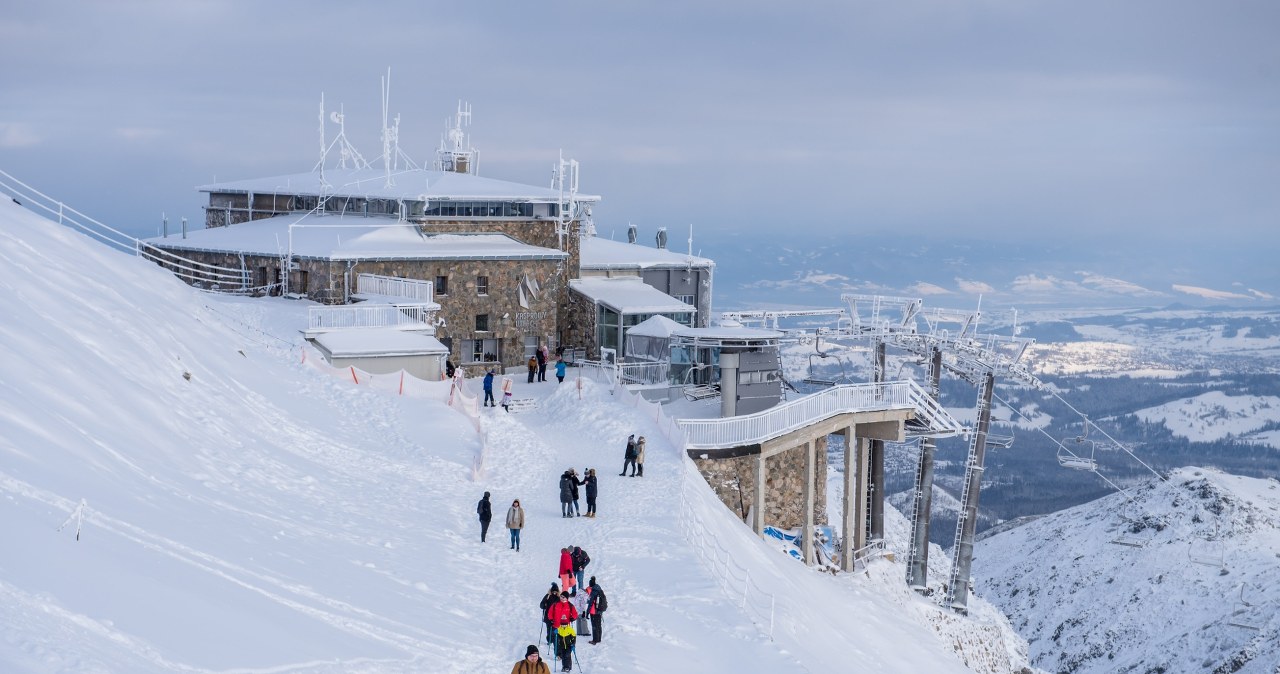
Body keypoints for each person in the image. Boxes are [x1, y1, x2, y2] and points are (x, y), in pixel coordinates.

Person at [546, 592, 578, 671]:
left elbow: (575, 614)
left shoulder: (570, 605)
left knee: (565, 644)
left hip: (565, 628)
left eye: (563, 597)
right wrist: (551, 620)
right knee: (556, 641)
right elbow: (550, 613)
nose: (562, 598)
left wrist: (572, 618)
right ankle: (557, 654)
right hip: (556, 626)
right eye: (561, 596)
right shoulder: (555, 604)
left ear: (567, 598)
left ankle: (566, 662)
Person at [538, 584, 560, 651]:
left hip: (556, 617)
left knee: (554, 630)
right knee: (548, 629)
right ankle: (549, 640)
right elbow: (541, 605)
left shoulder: (559, 598)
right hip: (548, 617)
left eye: (556, 592)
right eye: (553, 591)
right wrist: (544, 605)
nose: (554, 593)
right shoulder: (547, 596)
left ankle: (553, 641)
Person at [586, 577, 606, 644]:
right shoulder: (600, 589)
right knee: (598, 625)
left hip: (594, 611)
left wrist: (587, 613)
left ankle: (594, 640)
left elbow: (590, 603)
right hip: (599, 610)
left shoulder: (593, 592)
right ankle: (599, 639)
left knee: (594, 626)